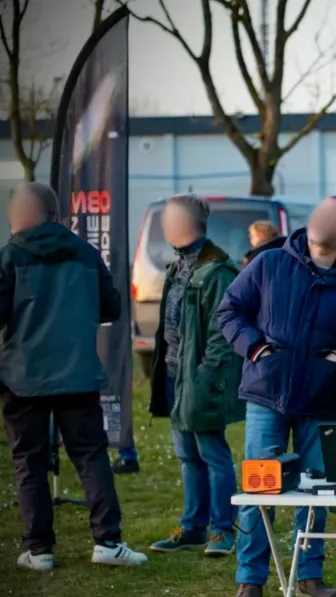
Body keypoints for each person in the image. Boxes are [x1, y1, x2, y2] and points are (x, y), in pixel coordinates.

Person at [0, 182, 148, 570]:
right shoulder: (86, 254)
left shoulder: (5, 259)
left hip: (22, 377)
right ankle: (108, 542)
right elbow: (111, 308)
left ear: (18, 215)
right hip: (76, 373)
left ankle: (38, 550)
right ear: (56, 214)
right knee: (91, 456)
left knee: (30, 462)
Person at [217, 196, 336, 597]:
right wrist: (255, 349)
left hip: (319, 400)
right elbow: (230, 311)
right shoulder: (268, 265)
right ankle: (250, 581)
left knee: (315, 491)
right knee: (259, 487)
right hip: (266, 394)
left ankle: (308, 576)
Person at [146, 195, 245, 556]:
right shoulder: (177, 267)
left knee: (212, 453)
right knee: (187, 454)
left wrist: (205, 377)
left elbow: (223, 333)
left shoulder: (216, 270)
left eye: (171, 220)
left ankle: (222, 530)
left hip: (200, 379)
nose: (165, 227)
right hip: (175, 375)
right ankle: (193, 527)